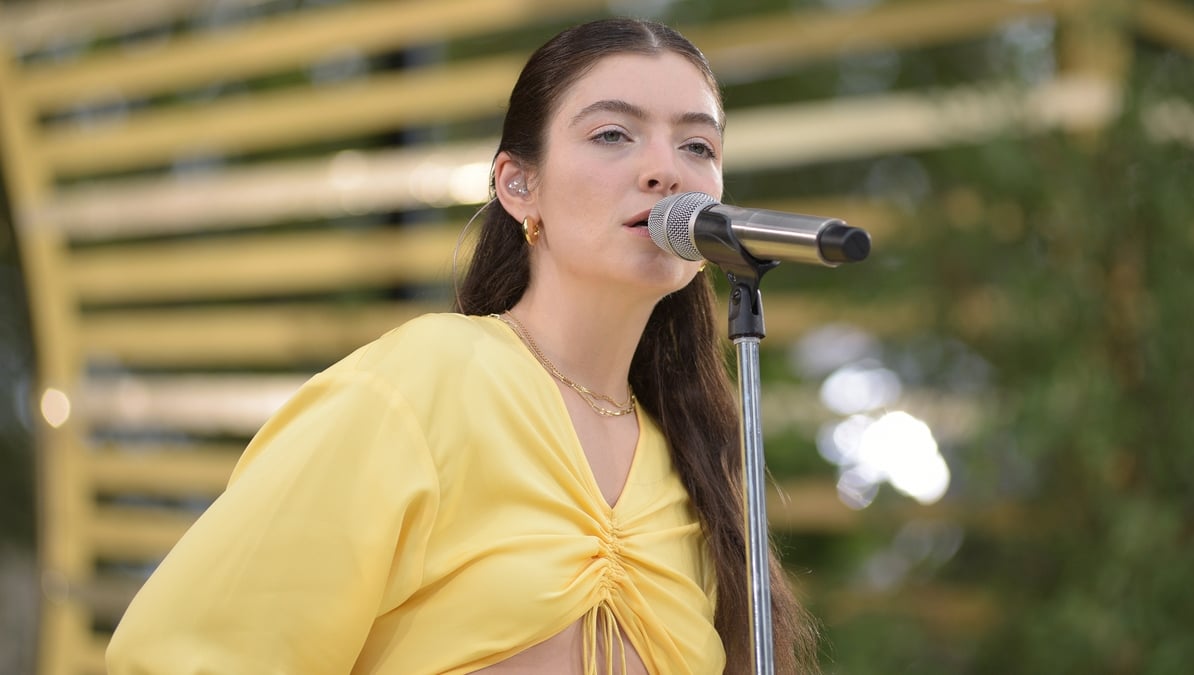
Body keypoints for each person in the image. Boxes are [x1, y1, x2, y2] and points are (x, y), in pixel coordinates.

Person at [106, 17, 819, 675]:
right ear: (518, 185)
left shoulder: (693, 465)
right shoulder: (423, 381)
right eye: (613, 135)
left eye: (698, 145)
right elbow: (190, 653)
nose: (667, 170)